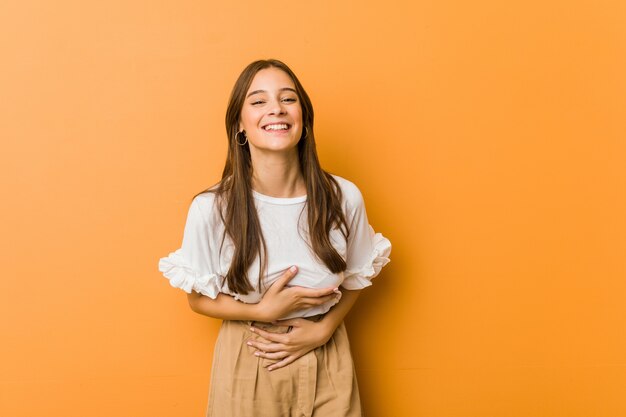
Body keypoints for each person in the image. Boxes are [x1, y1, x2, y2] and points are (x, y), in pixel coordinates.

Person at [159, 58, 391, 417]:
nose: (276, 109)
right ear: (240, 124)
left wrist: (324, 329)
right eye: (258, 101)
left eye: (288, 98)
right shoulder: (212, 207)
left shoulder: (343, 197)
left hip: (329, 357)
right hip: (251, 355)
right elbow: (197, 300)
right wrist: (260, 309)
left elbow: (360, 274)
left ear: (304, 118)